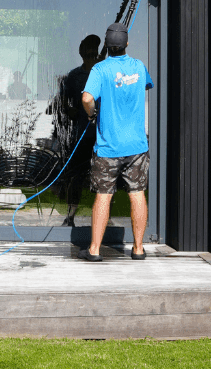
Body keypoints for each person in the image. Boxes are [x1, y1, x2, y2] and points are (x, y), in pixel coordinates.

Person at [77, 22, 153, 262]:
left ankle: (95, 250)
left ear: (106, 47)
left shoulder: (100, 69)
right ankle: (138, 249)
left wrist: (91, 113)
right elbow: (146, 86)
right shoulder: (139, 67)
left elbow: (87, 97)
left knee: (103, 195)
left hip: (108, 147)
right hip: (137, 147)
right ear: (126, 44)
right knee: (137, 193)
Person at [53, 34, 101, 227]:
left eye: (94, 54)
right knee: (75, 177)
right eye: (87, 54)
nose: (91, 58)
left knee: (105, 178)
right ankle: (70, 215)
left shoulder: (103, 71)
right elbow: (62, 99)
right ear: (82, 55)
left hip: (103, 134)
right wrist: (70, 109)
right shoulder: (74, 76)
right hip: (81, 133)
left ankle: (106, 218)